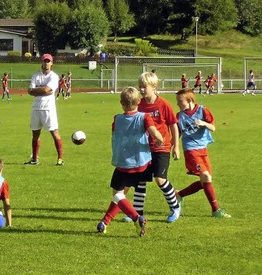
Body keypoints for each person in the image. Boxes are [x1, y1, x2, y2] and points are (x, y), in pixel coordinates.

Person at [96, 87, 163, 236]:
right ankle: (104, 222)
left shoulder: (117, 119)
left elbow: (116, 133)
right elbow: (153, 132)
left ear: (121, 103)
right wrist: (160, 139)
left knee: (118, 195)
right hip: (142, 164)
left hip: (124, 164)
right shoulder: (145, 117)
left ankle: (136, 217)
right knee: (121, 196)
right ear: (139, 101)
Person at [124, 72, 181, 223]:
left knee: (160, 179)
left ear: (154, 87)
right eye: (140, 87)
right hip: (143, 148)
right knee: (140, 180)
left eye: (144, 87)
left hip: (161, 148)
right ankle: (137, 213)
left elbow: (173, 125)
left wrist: (176, 146)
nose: (141, 90)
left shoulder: (164, 104)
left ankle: (175, 207)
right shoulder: (139, 104)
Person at [174, 89, 231, 218]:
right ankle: (216, 210)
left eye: (179, 101)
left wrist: (203, 123)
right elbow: (177, 133)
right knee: (206, 176)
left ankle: (179, 195)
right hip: (190, 150)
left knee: (205, 181)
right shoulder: (179, 116)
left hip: (203, 150)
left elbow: (213, 127)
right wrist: (174, 147)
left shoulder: (203, 110)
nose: (177, 104)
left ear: (189, 100)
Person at [25, 53, 64, 166]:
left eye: (48, 61)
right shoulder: (35, 76)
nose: (46, 63)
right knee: (35, 134)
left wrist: (37, 90)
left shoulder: (53, 76)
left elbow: (47, 89)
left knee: (54, 133)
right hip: (36, 108)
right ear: (41, 62)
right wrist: (43, 90)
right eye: (44, 61)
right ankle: (34, 159)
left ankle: (60, 158)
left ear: (52, 63)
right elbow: (30, 91)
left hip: (48, 109)